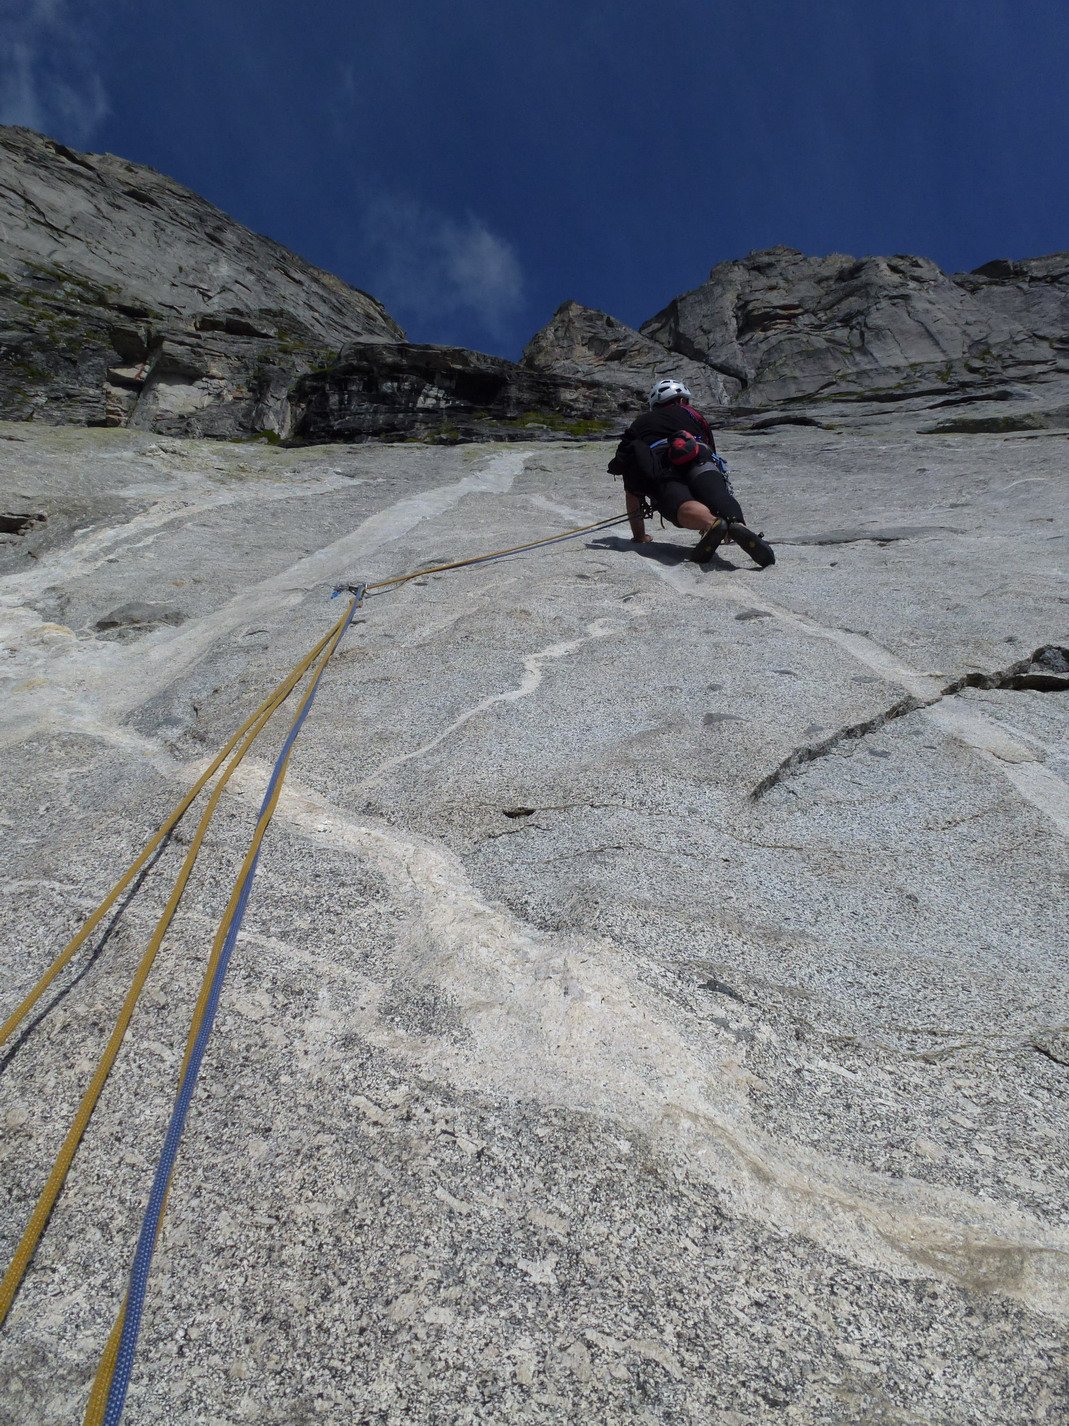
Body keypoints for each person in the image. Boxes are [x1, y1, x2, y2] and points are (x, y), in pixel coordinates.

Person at [607, 379, 775, 566]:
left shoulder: (640, 423)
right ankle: (738, 526)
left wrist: (639, 536)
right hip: (698, 453)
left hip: (663, 462)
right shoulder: (693, 415)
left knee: (679, 502)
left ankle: (710, 523)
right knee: (717, 494)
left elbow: (631, 479)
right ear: (681, 400)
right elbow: (712, 449)